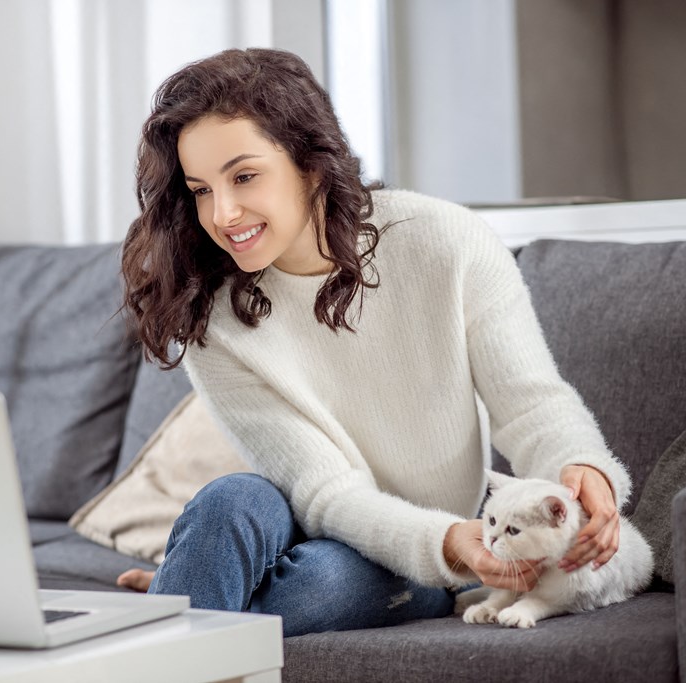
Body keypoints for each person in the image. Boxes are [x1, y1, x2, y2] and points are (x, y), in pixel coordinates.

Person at [117, 48, 628, 637]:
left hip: (424, 546)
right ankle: (177, 609)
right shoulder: (215, 318)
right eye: (200, 189)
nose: (222, 212)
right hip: (320, 516)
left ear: (310, 163)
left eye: (245, 176)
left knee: (322, 584)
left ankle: (172, 607)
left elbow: (532, 404)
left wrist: (581, 467)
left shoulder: (444, 241)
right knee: (227, 502)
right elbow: (324, 490)